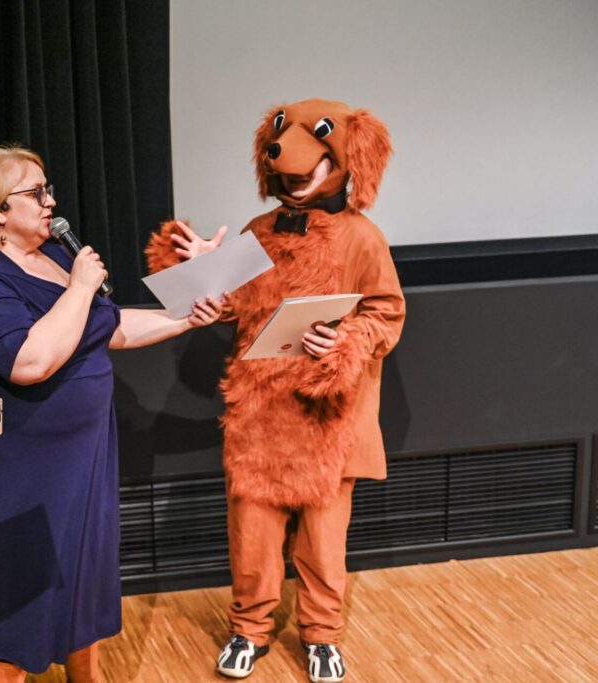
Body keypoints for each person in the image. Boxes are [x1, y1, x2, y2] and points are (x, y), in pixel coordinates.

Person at [0, 144, 225, 682]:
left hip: (78, 463)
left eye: (48, 189)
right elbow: (31, 362)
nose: (51, 202)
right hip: (16, 475)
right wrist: (80, 286)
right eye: (36, 193)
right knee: (14, 618)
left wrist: (186, 317)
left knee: (79, 591)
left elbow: (110, 329)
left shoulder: (54, 258)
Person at [146, 99, 404, 682]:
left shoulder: (363, 238)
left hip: (327, 417)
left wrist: (345, 342)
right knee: (252, 538)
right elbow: (231, 302)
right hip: (260, 416)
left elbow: (386, 314)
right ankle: (249, 628)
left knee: (323, 542)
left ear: (345, 159)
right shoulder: (259, 231)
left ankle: (322, 635)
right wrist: (202, 276)